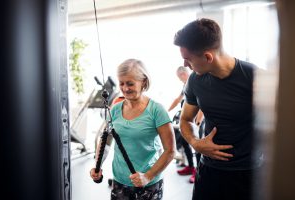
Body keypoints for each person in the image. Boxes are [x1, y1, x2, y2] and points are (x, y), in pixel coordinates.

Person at [173, 18, 263, 200]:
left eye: (188, 59)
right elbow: (185, 120)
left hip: (249, 173)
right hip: (209, 171)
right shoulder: (195, 81)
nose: (184, 65)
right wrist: (195, 142)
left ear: (208, 57)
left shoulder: (254, 77)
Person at [90, 58, 176, 200]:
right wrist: (97, 165)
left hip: (148, 183)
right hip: (120, 180)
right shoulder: (116, 109)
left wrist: (148, 176)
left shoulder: (157, 110)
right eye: (121, 83)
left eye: (130, 83)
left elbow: (170, 151)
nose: (125, 88)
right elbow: (106, 141)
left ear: (143, 82)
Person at [168, 66, 196, 183]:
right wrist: (167, 111)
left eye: (180, 77)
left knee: (196, 147)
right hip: (186, 119)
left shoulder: (194, 82)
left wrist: (197, 122)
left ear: (183, 74)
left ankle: (196, 172)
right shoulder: (185, 85)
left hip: (194, 121)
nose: (180, 79)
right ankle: (190, 166)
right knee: (185, 142)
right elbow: (178, 99)